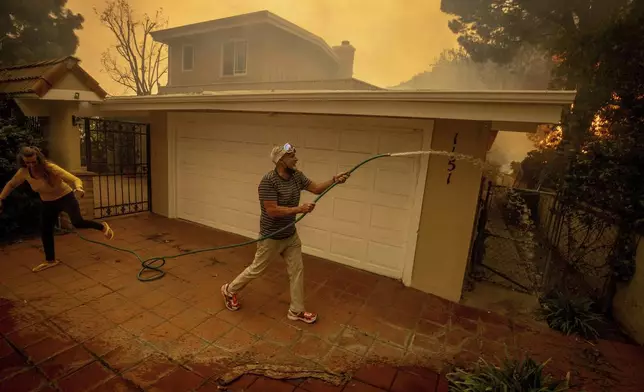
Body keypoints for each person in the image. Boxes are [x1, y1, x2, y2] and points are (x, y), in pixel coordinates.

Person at [221, 143, 349, 324]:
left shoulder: (297, 176)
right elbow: (272, 210)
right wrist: (300, 209)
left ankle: (296, 311)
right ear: (280, 160)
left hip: (290, 235)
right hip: (271, 236)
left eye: (295, 155)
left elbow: (316, 188)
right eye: (291, 156)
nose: (296, 159)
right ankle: (229, 289)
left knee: (297, 271)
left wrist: (334, 180)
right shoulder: (268, 181)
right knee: (257, 269)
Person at [0, 146, 115, 272]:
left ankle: (103, 227)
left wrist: (79, 188)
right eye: (27, 162)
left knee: (77, 222)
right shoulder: (23, 172)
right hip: (48, 203)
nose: (31, 165)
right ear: (22, 161)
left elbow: (74, 179)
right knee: (45, 229)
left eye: (34, 161)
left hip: (65, 197)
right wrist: (1, 198)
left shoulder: (49, 167)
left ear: (38, 158)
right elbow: (11, 184)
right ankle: (50, 260)